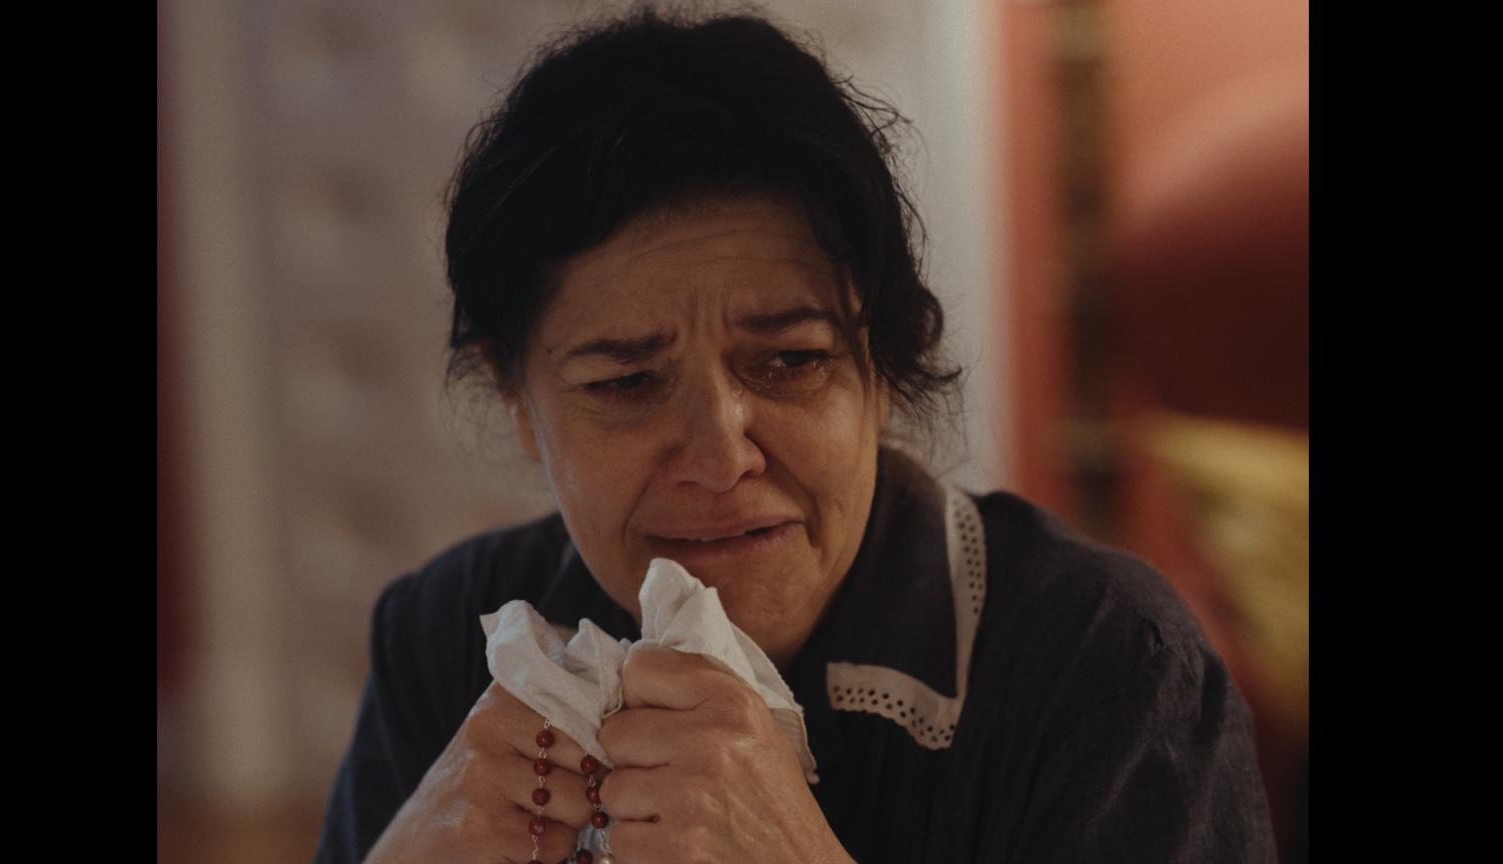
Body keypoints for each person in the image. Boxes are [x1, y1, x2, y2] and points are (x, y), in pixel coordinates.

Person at [313, 7, 1278, 863]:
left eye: (789, 361)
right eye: (627, 383)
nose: (719, 457)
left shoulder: (1107, 671)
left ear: (884, 363)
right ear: (518, 399)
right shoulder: (445, 642)